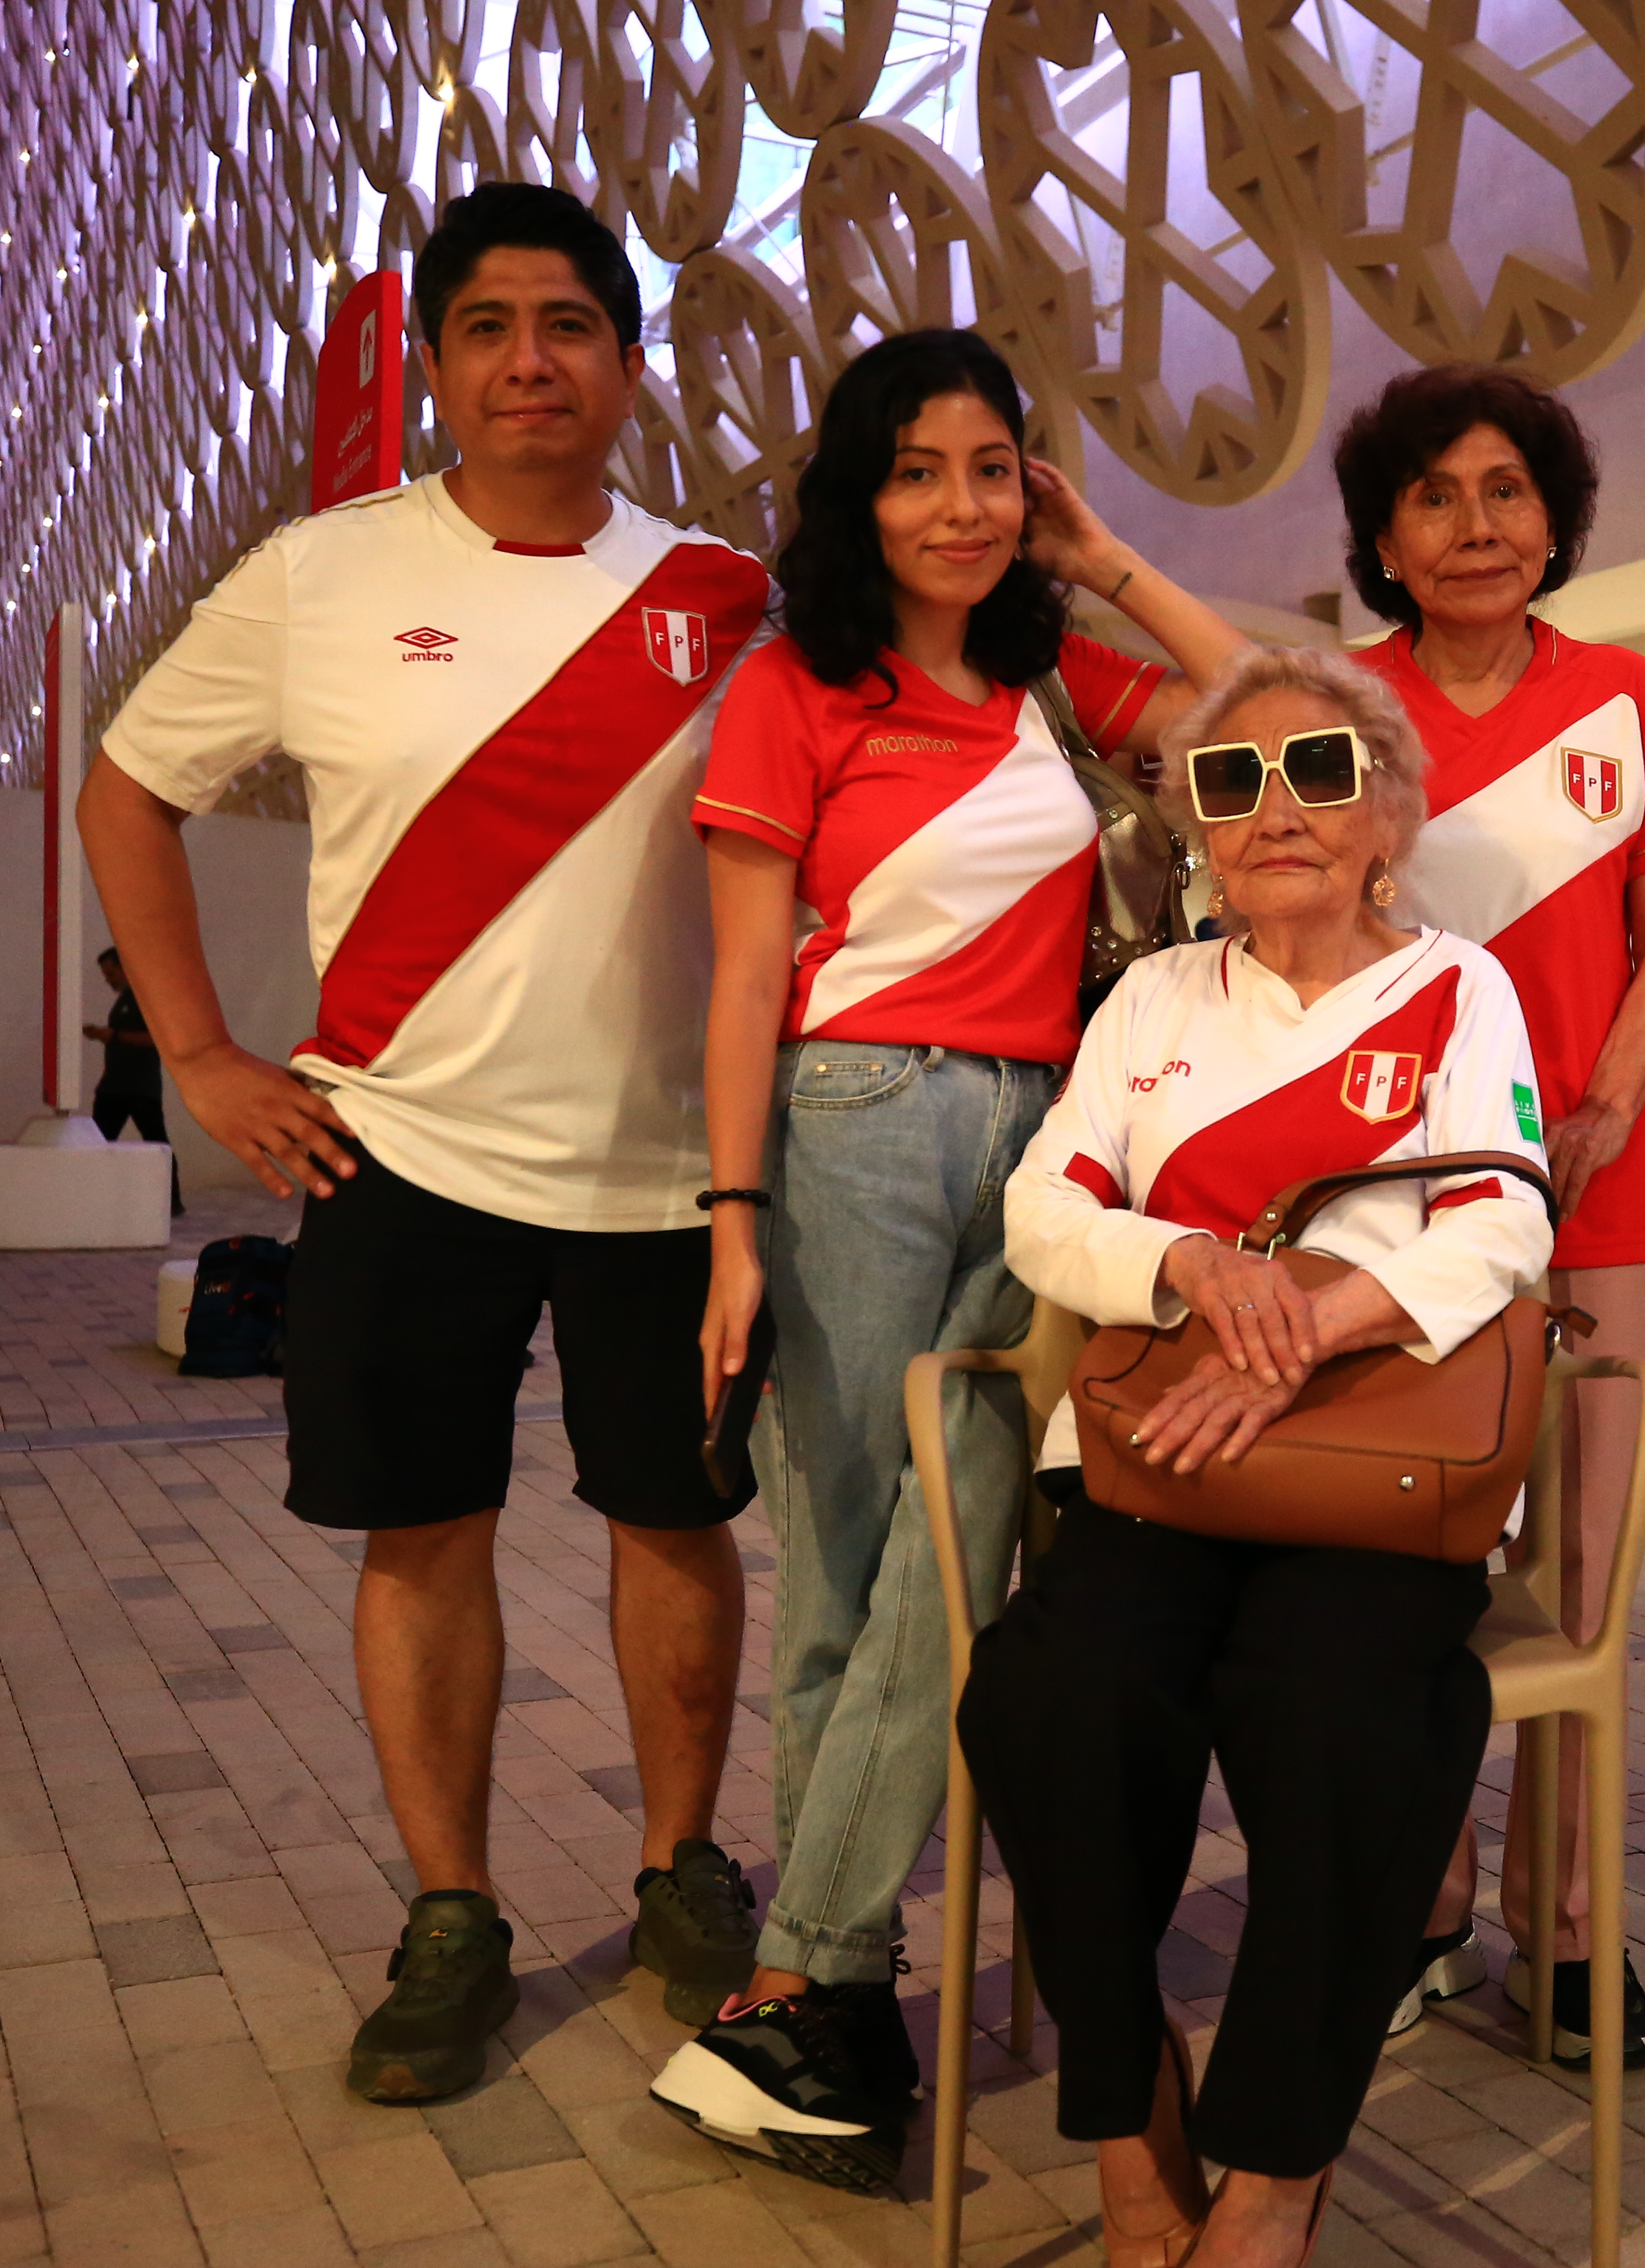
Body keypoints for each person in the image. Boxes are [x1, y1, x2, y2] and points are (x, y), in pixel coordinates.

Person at [76, 182, 774, 2102]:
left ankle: (679, 1865)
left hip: (663, 1172)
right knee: (421, 1530)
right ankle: (452, 1909)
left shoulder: (716, 594)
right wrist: (201, 1048)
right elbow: (127, 787)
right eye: (488, 325)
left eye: (569, 323)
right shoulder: (319, 574)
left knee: (676, 1519)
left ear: (629, 363)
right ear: (440, 360)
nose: (530, 358)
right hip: (393, 1154)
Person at [651, 327, 1251, 2185]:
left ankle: (798, 1986)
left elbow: (1263, 702)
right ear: (858, 490)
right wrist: (733, 1220)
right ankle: (828, 1996)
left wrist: (1099, 559)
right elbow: (749, 977)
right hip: (850, 1129)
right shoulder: (795, 686)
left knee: (961, 1520)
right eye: (919, 469)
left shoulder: (1052, 667)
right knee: (848, 1569)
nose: (961, 505)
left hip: (1053, 1137)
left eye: (994, 468)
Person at [967, 646, 1555, 2268]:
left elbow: (1503, 1216)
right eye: (1228, 783)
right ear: (1197, 833)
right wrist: (1186, 1272)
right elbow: (1044, 1208)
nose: (1271, 809)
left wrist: (1303, 1323)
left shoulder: (1460, 986)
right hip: (1158, 1461)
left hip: (1363, 1478)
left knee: (1353, 1708)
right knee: (1049, 1691)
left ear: (1386, 817)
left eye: (1315, 772)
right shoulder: (1151, 999)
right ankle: (1121, 2106)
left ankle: (1277, 2167)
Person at [1332, 364, 1645, 2064]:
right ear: (1385, 540)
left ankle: (1567, 1929)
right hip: (1397, 1208)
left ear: (1554, 518)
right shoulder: (1338, 703)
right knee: (1403, 1570)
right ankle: (1419, 1896)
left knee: (1581, 1584)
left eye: (1508, 490)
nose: (1478, 524)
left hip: (1600, 1195)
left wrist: (1604, 1109)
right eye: (1437, 497)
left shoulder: (1627, 696)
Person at [84, 945, 181, 1211]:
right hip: (115, 1086)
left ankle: (172, 1202)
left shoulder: (144, 999)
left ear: (126, 968)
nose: (108, 980)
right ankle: (93, 1196)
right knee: (99, 1144)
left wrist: (111, 1036)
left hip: (139, 1088)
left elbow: (157, 1040)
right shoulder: (126, 1000)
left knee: (157, 1144)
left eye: (112, 974)